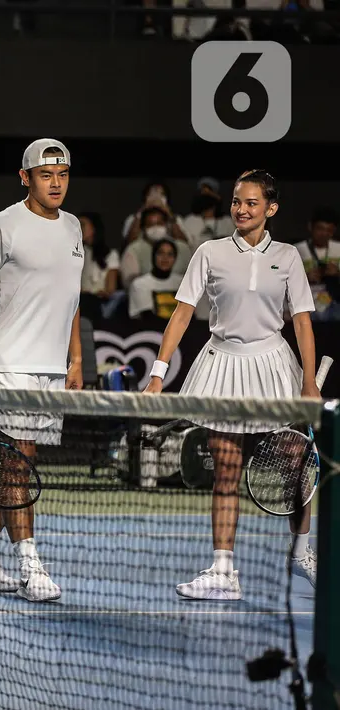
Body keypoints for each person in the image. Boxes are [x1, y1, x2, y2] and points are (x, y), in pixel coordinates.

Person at [145, 170, 319, 600]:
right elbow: (182, 314)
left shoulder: (289, 257)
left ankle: (301, 551)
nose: (241, 209)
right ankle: (223, 569)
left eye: (252, 203)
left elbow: (301, 321)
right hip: (223, 364)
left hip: (274, 366)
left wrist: (309, 381)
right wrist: (157, 372)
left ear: (271, 209)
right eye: (237, 202)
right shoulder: (209, 252)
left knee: (296, 458)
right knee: (225, 466)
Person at [0, 139, 85, 604]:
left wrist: (77, 359)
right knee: (21, 463)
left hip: (51, 370)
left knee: (14, 466)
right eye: (46, 175)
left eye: (63, 174)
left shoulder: (73, 227)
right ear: (25, 177)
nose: (56, 183)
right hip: (10, 364)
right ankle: (31, 565)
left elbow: (71, 298)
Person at [127, 239, 182, 321]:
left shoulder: (182, 283)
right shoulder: (140, 284)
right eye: (161, 253)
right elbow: (147, 318)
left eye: (170, 254)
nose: (165, 258)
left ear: (175, 259)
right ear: (153, 256)